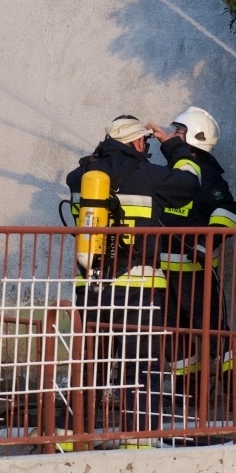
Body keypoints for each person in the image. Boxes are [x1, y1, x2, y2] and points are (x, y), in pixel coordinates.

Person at [66, 114, 199, 442]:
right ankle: (137, 440)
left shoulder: (79, 177)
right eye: (146, 142)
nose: (147, 147)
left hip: (91, 286)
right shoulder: (148, 176)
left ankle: (69, 437)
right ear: (137, 141)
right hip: (137, 287)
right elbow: (190, 183)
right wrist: (175, 146)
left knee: (88, 366)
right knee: (140, 367)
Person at [147, 107, 236, 403]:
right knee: (175, 335)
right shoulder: (176, 169)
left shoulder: (208, 175)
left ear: (195, 138)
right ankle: (190, 396)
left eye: (180, 131)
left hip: (196, 272)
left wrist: (205, 244)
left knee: (214, 334)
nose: (174, 135)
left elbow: (228, 211)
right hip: (163, 272)